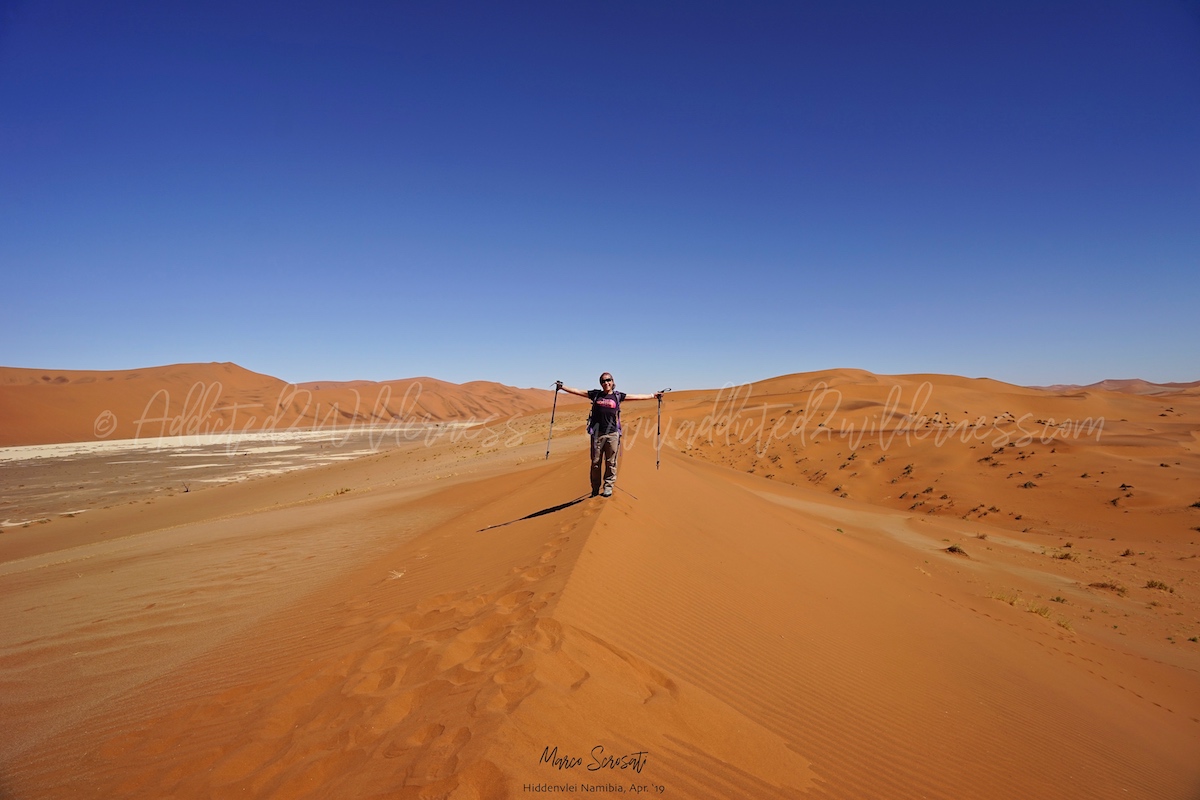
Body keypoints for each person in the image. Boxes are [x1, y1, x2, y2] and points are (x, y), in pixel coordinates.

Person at [556, 373, 662, 497]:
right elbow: (578, 391)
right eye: (603, 381)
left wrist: (652, 396)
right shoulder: (596, 395)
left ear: (612, 381)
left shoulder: (617, 396)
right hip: (597, 434)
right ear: (600, 383)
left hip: (612, 434)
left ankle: (608, 486)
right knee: (595, 463)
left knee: (611, 462)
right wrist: (562, 387)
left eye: (608, 380)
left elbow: (636, 396)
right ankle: (595, 488)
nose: (606, 383)